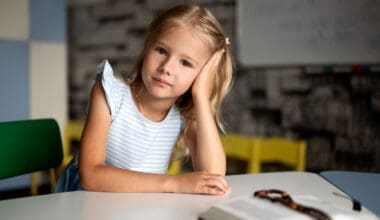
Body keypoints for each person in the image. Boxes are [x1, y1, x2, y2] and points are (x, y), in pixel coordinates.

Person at [55, 3, 233, 195]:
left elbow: (214, 179)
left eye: (185, 63)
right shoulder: (109, 93)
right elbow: (90, 176)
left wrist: (201, 96)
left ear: (202, 75)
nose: (167, 67)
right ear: (147, 45)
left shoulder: (184, 116)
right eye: (162, 51)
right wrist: (173, 184)